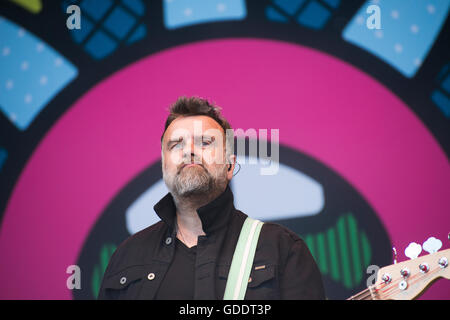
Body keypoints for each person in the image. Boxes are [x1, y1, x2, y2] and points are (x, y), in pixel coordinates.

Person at [98, 96, 325, 300]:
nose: (189, 151)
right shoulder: (127, 255)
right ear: (163, 166)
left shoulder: (282, 249)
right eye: (176, 144)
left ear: (230, 165)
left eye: (205, 143)